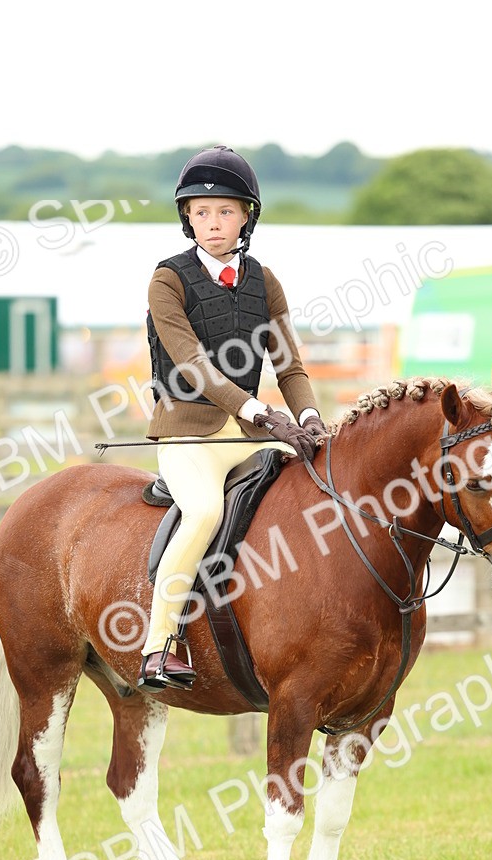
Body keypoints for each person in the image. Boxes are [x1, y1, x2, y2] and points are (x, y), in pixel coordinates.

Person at [138, 144, 328, 691]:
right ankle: (158, 647)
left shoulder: (264, 281)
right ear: (186, 217)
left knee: (319, 483)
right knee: (201, 513)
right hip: (188, 434)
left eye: (224, 211)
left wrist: (309, 417)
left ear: (247, 216)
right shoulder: (167, 281)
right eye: (200, 212)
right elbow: (193, 365)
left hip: (246, 434)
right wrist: (262, 412)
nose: (212, 223)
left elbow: (289, 364)